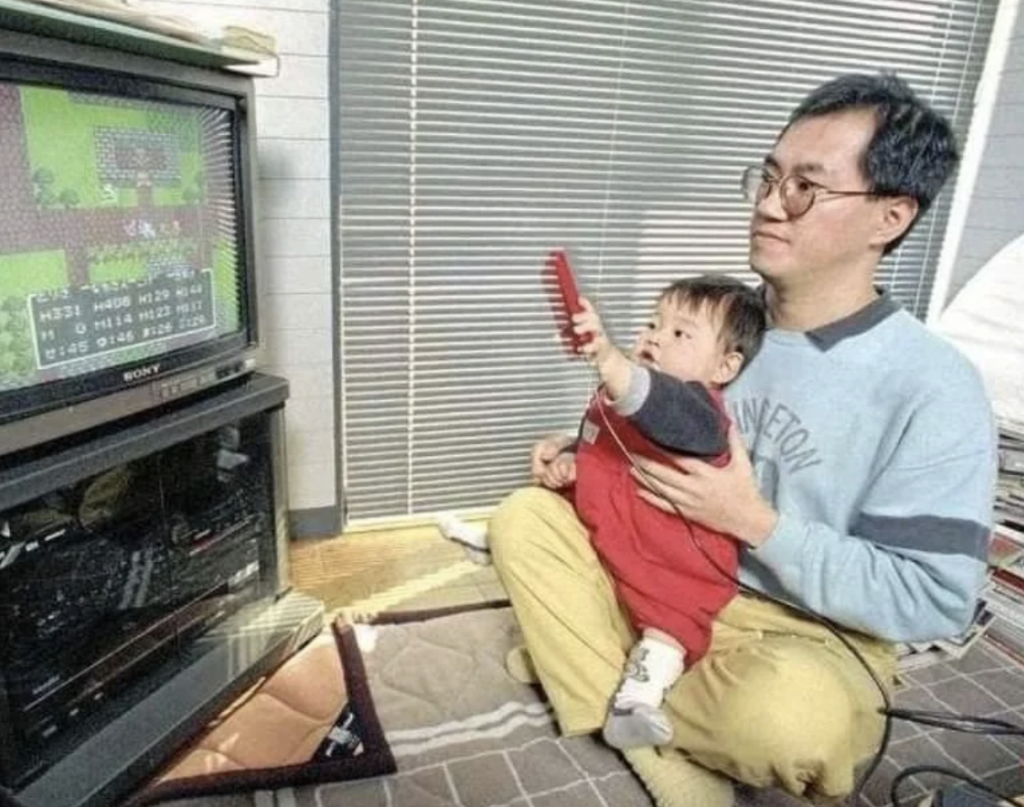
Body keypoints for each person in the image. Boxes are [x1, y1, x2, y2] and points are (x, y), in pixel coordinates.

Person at [487, 71, 998, 807]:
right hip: (656, 580)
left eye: (805, 189)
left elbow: (933, 599)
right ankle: (640, 712)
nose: (766, 205)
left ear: (889, 216)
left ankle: (587, 668)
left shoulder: (934, 385)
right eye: (768, 176)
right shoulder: (719, 323)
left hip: (803, 636)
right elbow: (645, 431)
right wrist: (582, 453)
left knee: (796, 725)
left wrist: (753, 521)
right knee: (523, 519)